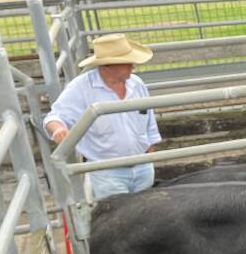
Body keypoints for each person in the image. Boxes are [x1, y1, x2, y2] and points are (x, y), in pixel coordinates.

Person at [43, 33, 159, 200]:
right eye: (127, 63)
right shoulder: (81, 88)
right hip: (107, 172)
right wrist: (58, 128)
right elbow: (54, 117)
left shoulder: (137, 84)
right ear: (107, 66)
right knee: (118, 219)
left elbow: (149, 118)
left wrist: (150, 148)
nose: (132, 67)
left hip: (143, 165)